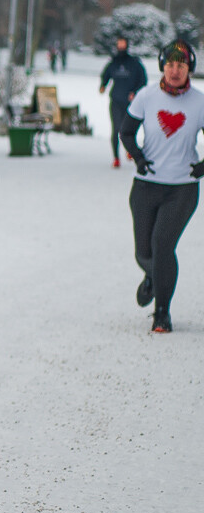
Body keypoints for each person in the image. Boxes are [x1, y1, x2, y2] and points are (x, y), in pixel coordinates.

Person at [118, 39, 204, 334]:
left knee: (162, 245)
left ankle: (162, 313)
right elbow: (126, 131)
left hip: (182, 188)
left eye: (181, 65)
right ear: (162, 66)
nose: (175, 70)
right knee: (143, 252)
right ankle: (153, 277)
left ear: (189, 67)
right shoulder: (146, 96)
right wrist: (139, 159)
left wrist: (202, 166)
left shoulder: (200, 102)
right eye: (170, 64)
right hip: (145, 186)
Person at [100, 36, 148, 168]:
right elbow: (106, 74)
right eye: (118, 44)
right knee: (115, 129)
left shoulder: (134, 63)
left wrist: (134, 91)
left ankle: (130, 150)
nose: (120, 46)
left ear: (127, 45)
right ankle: (116, 157)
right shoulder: (114, 62)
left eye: (123, 44)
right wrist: (103, 85)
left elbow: (143, 80)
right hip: (116, 100)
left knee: (128, 129)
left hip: (130, 102)